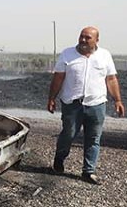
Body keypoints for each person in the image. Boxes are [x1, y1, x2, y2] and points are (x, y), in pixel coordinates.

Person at [47, 26, 124, 185]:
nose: (83, 40)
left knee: (93, 138)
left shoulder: (105, 55)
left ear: (96, 40)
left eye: (87, 37)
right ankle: (59, 158)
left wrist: (117, 100)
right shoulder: (67, 54)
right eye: (81, 36)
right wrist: (51, 99)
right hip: (72, 104)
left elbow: (111, 79)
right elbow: (58, 78)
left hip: (96, 104)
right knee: (68, 134)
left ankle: (88, 171)